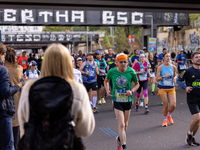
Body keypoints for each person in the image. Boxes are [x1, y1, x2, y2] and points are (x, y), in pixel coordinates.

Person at [18, 43, 95, 149]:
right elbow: (86, 129)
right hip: (65, 144)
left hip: (36, 144)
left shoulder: (29, 88)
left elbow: (23, 123)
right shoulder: (77, 89)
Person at [104, 53, 139, 150]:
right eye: (121, 62)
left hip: (128, 100)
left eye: (125, 62)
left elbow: (137, 84)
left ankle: (119, 139)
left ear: (127, 63)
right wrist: (107, 90)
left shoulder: (131, 72)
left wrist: (131, 91)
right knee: (122, 124)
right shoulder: (112, 71)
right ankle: (124, 146)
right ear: (116, 63)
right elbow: (106, 81)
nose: (123, 63)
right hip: (117, 99)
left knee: (126, 124)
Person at [0, 42, 23, 150]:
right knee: (10, 142)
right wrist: (20, 84)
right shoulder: (17, 68)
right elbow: (5, 91)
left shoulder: (4, 67)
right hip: (10, 103)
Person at [177, 51, 200, 146]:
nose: (199, 58)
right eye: (196, 57)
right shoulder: (187, 71)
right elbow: (178, 80)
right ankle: (189, 134)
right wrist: (185, 87)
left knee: (198, 120)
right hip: (192, 99)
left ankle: (191, 137)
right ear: (192, 60)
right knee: (197, 118)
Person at [156, 52, 177, 127]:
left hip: (171, 88)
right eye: (166, 56)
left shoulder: (173, 67)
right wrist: (163, 76)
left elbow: (175, 75)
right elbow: (157, 79)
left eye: (169, 56)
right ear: (164, 58)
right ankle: (165, 120)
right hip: (163, 88)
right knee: (165, 106)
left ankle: (169, 115)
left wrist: (174, 78)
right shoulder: (160, 67)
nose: (168, 58)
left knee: (173, 105)